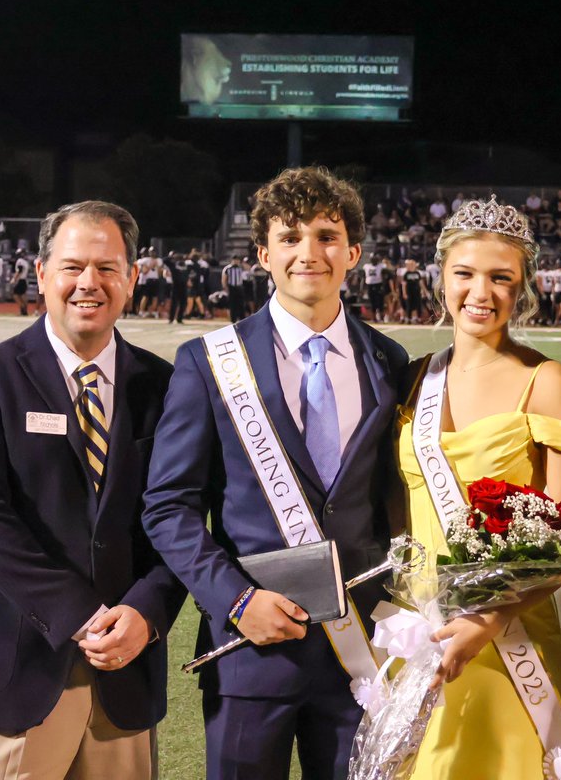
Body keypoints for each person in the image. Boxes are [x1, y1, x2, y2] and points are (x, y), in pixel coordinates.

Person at [142, 166, 408, 779]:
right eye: (290, 237)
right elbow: (168, 507)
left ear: (354, 252)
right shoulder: (209, 361)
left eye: (325, 235)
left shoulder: (389, 361)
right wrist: (235, 601)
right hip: (251, 652)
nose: (308, 252)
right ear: (263, 253)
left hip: (362, 657)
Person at [0, 201, 186, 779]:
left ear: (132, 278)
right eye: (73, 265)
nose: (89, 284)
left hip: (124, 672)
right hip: (17, 673)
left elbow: (180, 517)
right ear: (42, 273)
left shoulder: (165, 385)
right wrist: (82, 615)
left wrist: (148, 612)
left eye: (108, 268)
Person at [394, 197, 561, 779]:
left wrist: (483, 621)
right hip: (424, 633)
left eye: (500, 278)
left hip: (513, 637)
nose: (479, 292)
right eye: (465, 274)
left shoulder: (548, 382)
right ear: (441, 279)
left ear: (523, 288)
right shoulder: (413, 380)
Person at [221, 253, 247, 323]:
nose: (236, 261)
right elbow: (224, 279)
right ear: (232, 260)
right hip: (231, 288)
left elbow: (248, 271)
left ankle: (242, 319)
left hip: (239, 288)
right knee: (232, 304)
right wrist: (225, 288)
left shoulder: (241, 268)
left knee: (241, 304)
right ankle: (233, 320)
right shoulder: (227, 268)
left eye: (237, 260)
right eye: (235, 260)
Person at [10, 248, 31, 315]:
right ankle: (24, 310)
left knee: (15, 294)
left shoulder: (20, 261)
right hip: (24, 280)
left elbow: (19, 270)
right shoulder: (26, 261)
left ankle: (22, 308)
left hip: (20, 280)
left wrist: (14, 278)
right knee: (23, 295)